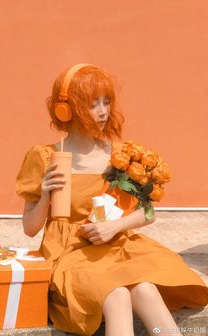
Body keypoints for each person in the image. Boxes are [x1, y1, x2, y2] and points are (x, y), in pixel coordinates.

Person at [15, 63, 208, 336]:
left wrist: (115, 227)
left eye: (107, 102)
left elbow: (148, 212)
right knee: (117, 295)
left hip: (117, 246)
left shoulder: (120, 154)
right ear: (67, 108)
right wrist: (46, 194)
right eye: (94, 104)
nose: (104, 111)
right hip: (71, 253)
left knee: (146, 290)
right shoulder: (45, 156)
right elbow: (29, 228)